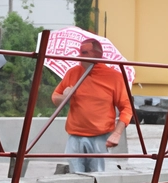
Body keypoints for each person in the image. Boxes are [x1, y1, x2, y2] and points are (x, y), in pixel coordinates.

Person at [51, 38, 133, 173]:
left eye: (85, 52)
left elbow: (127, 108)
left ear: (97, 54)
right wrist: (65, 97)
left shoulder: (113, 77)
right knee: (75, 177)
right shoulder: (73, 73)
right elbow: (55, 97)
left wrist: (117, 133)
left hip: (100, 137)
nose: (80, 57)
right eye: (80, 52)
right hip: (74, 136)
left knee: (97, 177)